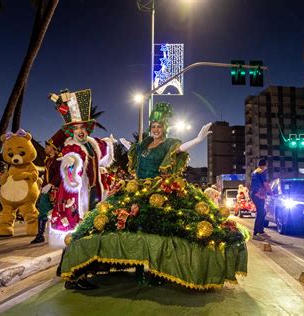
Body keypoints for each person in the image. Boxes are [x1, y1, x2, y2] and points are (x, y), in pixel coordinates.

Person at [58, 102, 249, 291]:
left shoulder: (169, 144)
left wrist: (198, 139)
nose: (156, 129)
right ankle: (81, 268)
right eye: (153, 126)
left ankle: (159, 270)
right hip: (135, 189)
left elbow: (181, 149)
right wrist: (128, 145)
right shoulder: (144, 144)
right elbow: (137, 152)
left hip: (160, 190)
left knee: (160, 231)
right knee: (109, 225)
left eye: (159, 126)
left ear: (164, 128)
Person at [48, 89, 115, 290]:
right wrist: (71, 170)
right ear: (71, 131)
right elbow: (69, 167)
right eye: (76, 128)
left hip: (92, 194)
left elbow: (103, 152)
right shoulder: (71, 147)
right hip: (75, 196)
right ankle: (74, 277)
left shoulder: (91, 145)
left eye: (83, 127)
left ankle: (67, 269)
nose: (80, 131)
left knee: (85, 233)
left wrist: (110, 143)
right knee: (76, 234)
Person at [31, 129, 66, 244]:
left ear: (53, 148)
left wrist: (51, 184)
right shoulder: (48, 160)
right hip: (47, 190)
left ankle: (63, 234)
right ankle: (40, 235)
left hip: (57, 190)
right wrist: (45, 185)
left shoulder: (59, 159)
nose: (45, 148)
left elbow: (60, 174)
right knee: (43, 211)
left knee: (60, 213)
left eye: (47, 146)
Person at [250, 158, 271, 241]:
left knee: (263, 212)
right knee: (261, 212)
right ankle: (255, 233)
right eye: (266, 165)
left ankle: (261, 231)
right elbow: (266, 184)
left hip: (257, 194)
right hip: (257, 195)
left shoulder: (255, 171)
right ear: (265, 165)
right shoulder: (261, 172)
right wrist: (271, 193)